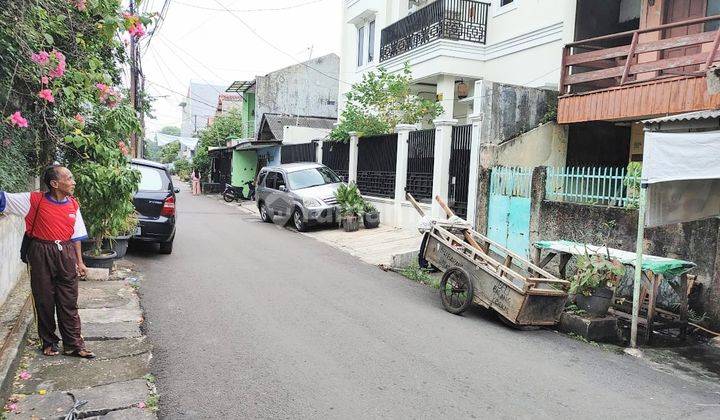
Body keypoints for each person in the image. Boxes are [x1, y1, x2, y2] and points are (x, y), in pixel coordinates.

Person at [0, 165, 95, 358]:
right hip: (40, 252)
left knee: (68, 300)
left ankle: (73, 344)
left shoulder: (73, 205)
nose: (73, 182)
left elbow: (76, 237)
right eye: (69, 178)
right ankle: (49, 342)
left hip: (66, 253)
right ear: (54, 183)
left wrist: (80, 262)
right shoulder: (33, 200)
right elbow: (3, 199)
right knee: (44, 299)